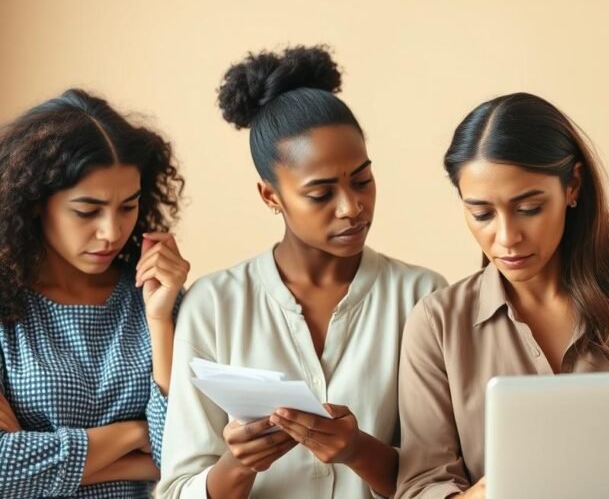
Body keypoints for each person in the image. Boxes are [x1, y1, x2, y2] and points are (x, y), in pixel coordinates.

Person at [157, 45, 447, 499]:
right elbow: (175, 490)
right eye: (320, 194)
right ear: (270, 196)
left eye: (362, 180)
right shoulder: (213, 305)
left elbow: (440, 478)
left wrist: (357, 449)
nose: (352, 208)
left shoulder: (423, 297)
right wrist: (236, 466)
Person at [396, 92, 609, 499]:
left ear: (572, 186)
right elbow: (420, 484)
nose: (507, 238)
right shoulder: (437, 323)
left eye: (528, 207)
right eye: (482, 214)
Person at [0, 89, 189, 498]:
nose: (111, 233)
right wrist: (133, 435)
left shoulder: (161, 299)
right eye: (87, 211)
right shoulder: (4, 305)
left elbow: (187, 456)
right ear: (35, 203)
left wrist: (159, 320)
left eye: (128, 207)